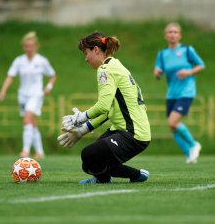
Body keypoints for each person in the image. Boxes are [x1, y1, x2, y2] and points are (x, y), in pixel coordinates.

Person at [58, 32, 151, 184]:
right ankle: (136, 175)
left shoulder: (105, 70)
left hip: (133, 133)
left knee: (90, 155)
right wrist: (82, 130)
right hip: (126, 130)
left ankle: (104, 180)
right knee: (89, 163)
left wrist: (80, 118)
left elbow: (102, 106)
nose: (86, 59)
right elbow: (109, 110)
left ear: (96, 50)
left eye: (85, 53)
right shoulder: (115, 65)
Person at [0, 31, 56, 158]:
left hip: (36, 94)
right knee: (32, 122)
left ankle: (25, 151)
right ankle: (40, 152)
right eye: (26, 46)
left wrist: (49, 87)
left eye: (31, 46)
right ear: (24, 47)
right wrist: (3, 90)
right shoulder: (19, 61)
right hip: (23, 95)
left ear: (36, 46)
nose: (28, 48)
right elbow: (10, 76)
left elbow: (52, 75)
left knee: (27, 119)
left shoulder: (41, 61)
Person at [153, 22, 205, 163]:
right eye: (170, 32)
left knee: (173, 121)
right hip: (171, 94)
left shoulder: (188, 50)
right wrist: (157, 73)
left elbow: (201, 65)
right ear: (165, 36)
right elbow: (157, 72)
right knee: (172, 127)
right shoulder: (162, 54)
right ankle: (189, 155)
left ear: (180, 35)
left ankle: (194, 145)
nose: (172, 34)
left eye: (175, 32)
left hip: (186, 92)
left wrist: (188, 72)